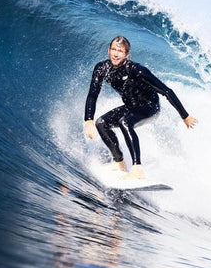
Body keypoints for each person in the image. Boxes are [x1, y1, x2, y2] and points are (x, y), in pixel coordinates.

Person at [84, 36, 197, 179]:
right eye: (113, 49)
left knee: (124, 122)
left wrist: (185, 116)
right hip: (131, 107)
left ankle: (137, 169)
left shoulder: (137, 70)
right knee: (101, 123)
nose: (115, 53)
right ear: (108, 50)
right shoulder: (102, 68)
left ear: (127, 55)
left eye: (120, 51)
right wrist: (88, 119)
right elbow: (93, 94)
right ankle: (119, 162)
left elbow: (166, 91)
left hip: (149, 107)